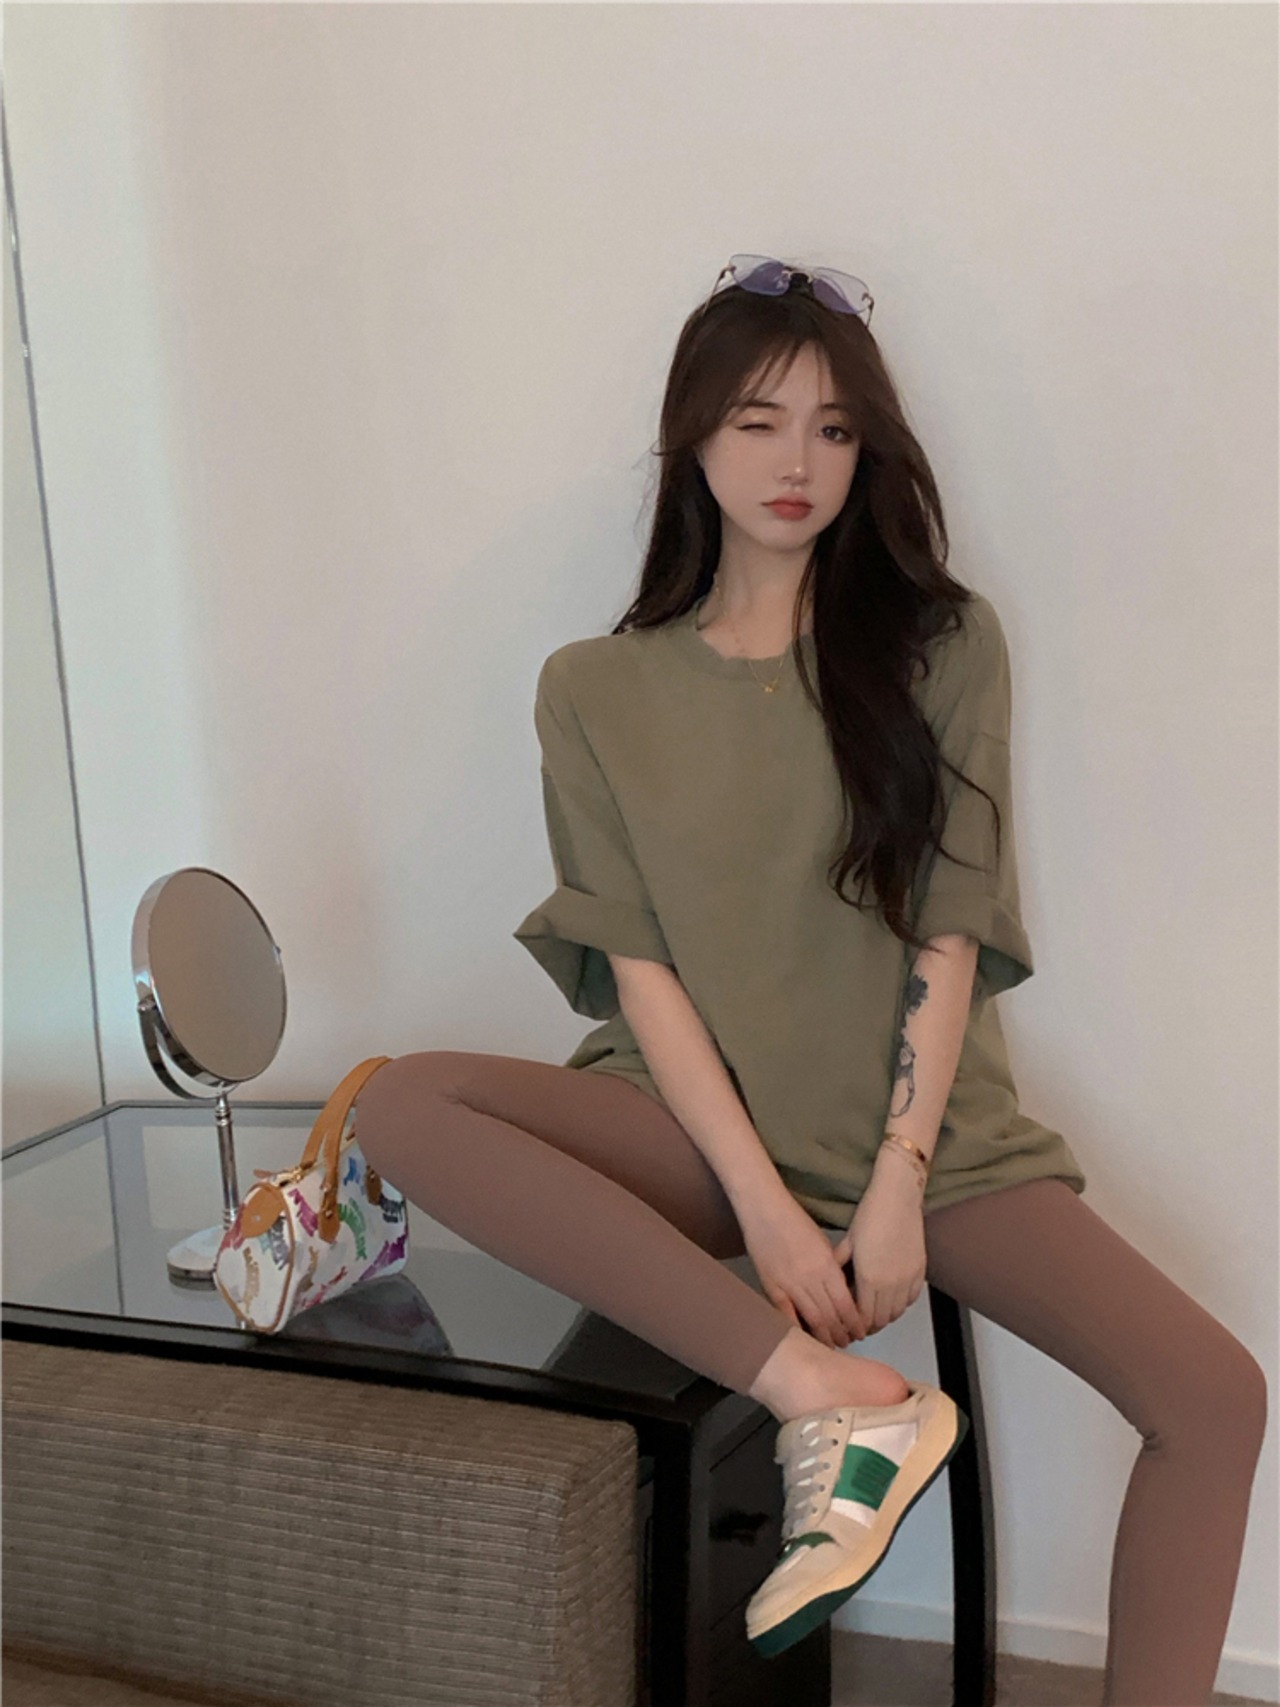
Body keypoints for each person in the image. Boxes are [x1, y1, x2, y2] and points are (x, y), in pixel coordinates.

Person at [352, 255, 1267, 1699]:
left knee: (1214, 1395)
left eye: (835, 429)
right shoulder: (595, 687)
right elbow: (641, 968)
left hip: (924, 1146)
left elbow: (952, 926)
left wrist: (898, 1182)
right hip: (699, 1130)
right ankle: (826, 1400)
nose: (797, 463)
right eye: (759, 420)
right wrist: (769, 1217)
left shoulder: (943, 645)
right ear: (692, 437)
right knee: (403, 1107)